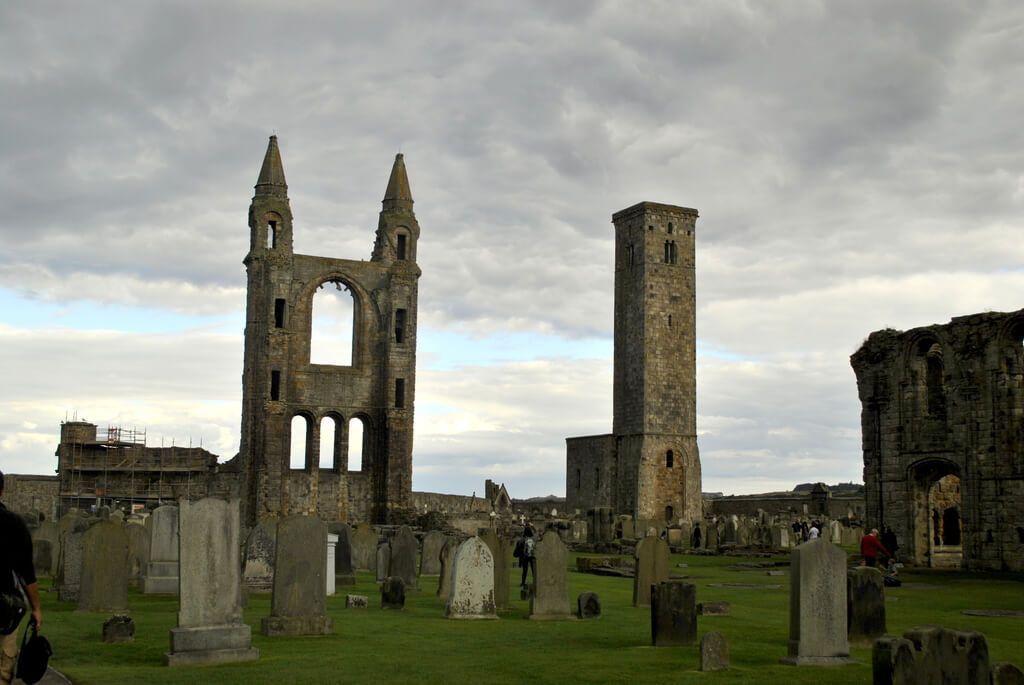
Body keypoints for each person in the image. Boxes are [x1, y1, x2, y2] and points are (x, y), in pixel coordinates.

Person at [0, 470, 43, 685]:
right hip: (5, 602)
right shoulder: (14, 523)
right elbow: (26, 572)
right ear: (2, 490)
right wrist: (36, 608)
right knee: (4, 664)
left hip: (5, 605)